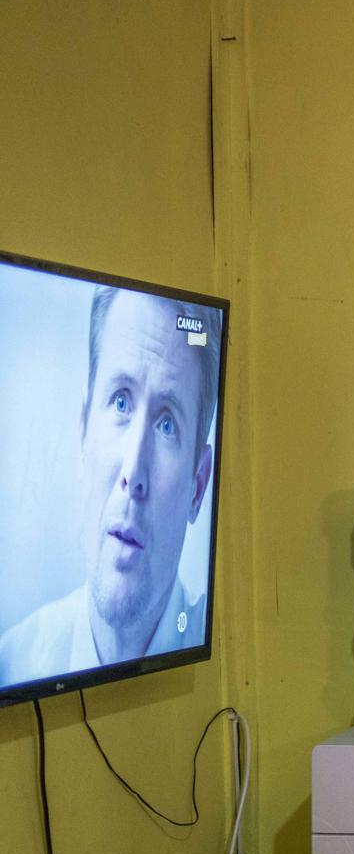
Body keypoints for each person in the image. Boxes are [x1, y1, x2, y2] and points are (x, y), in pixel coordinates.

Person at [0, 287, 215, 682]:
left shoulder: (223, 658)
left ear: (198, 487)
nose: (133, 473)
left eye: (167, 425)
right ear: (83, 431)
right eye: (120, 402)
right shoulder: (11, 662)